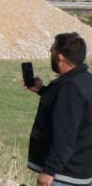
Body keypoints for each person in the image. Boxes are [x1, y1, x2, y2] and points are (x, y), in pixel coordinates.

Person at [25, 32, 92, 186]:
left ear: (60, 57)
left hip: (63, 176)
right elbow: (77, 111)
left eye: (52, 50)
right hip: (82, 171)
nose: (51, 54)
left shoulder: (70, 89)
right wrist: (42, 90)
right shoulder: (85, 81)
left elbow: (65, 135)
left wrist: (49, 171)